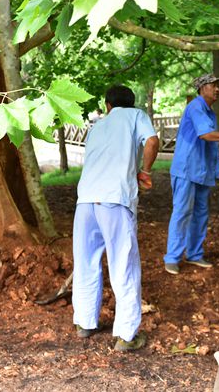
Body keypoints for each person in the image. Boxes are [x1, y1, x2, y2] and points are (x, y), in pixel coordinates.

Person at [73, 84, 160, 351]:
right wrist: (144, 170)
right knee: (123, 264)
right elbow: (153, 141)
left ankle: (85, 323)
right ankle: (126, 335)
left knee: (86, 262)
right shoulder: (135, 116)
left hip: (86, 200)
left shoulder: (97, 126)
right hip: (115, 200)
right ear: (130, 104)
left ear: (108, 105)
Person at [163, 74, 219, 274]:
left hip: (202, 171)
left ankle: (194, 254)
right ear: (202, 89)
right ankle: (172, 258)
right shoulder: (196, 106)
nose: (217, 89)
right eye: (213, 85)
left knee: (201, 213)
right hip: (186, 170)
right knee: (182, 212)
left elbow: (207, 142)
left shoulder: (210, 112)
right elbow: (206, 135)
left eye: (218, 86)